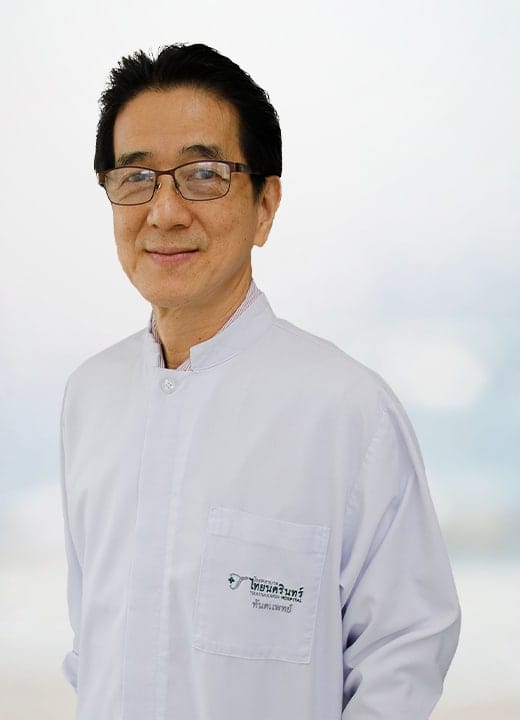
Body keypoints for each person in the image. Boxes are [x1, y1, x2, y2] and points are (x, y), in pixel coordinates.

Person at [60, 43, 460, 720]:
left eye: (203, 175)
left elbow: (404, 653)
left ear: (266, 204)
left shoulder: (346, 409)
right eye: (136, 178)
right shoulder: (89, 397)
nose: (164, 212)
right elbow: (94, 645)